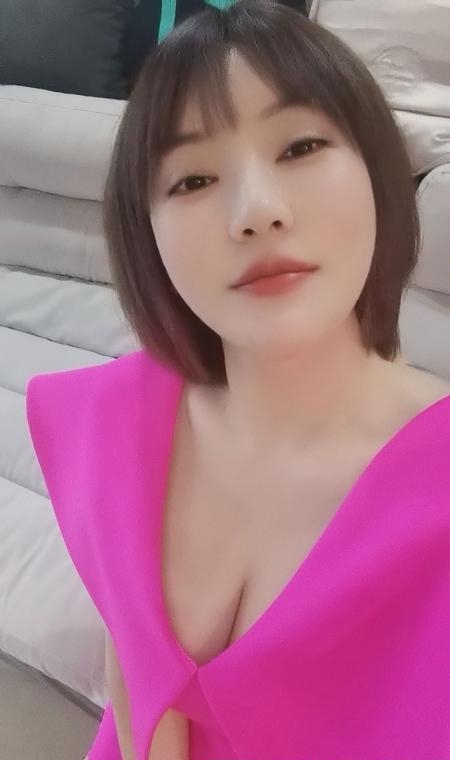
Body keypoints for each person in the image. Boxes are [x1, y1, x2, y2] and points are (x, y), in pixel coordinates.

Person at [26, 1, 450, 759]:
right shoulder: (119, 421)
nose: (256, 212)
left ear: (378, 171)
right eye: (192, 180)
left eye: (301, 146)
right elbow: (140, 692)